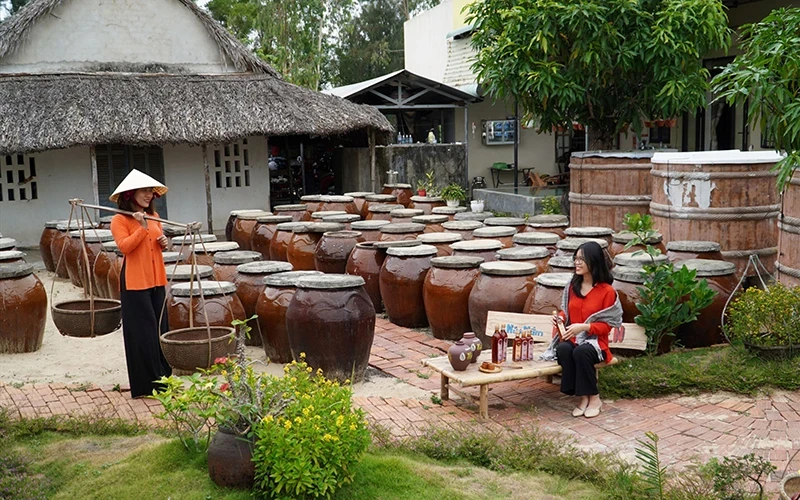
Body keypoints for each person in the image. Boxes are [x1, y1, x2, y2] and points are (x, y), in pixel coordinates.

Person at [109, 169, 172, 398]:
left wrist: (164, 242)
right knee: (143, 334)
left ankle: (165, 380)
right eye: (144, 191)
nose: (149, 195)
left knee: (160, 329)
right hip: (135, 283)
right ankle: (146, 386)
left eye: (150, 191)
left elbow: (155, 244)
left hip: (156, 278)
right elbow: (124, 247)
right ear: (130, 194)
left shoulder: (154, 217)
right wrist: (141, 228)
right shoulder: (119, 220)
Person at [553, 241, 622, 418]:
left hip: (596, 343)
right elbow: (566, 311)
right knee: (563, 349)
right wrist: (560, 318)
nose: (577, 262)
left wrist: (585, 327)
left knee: (582, 352)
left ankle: (595, 398)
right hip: (574, 339)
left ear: (594, 261)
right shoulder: (572, 287)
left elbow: (608, 325)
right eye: (576, 258)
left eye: (582, 259)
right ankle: (583, 397)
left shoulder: (607, 292)